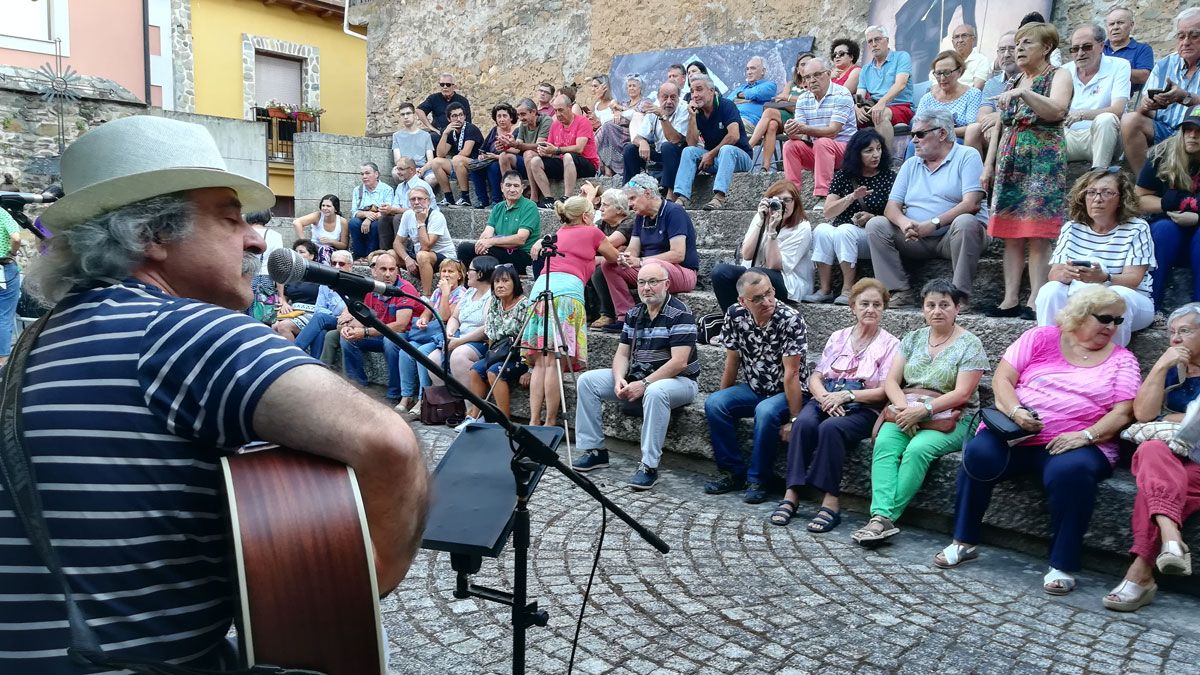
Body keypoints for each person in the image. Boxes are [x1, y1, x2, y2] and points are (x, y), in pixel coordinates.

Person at [4, 114, 426, 671]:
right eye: (230, 220)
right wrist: (352, 593)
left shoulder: (34, 344)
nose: (255, 237)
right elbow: (388, 445)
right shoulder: (180, 331)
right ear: (151, 236)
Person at [936, 286, 1139, 595]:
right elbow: (1003, 379)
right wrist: (1015, 410)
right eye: (1105, 319)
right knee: (979, 452)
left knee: (1069, 472)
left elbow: (1124, 412)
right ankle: (963, 540)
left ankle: (1062, 564)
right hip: (1018, 434)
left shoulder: (1122, 360)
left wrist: (1086, 435)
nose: (1112, 327)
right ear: (1081, 315)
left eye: (1118, 321)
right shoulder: (1041, 338)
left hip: (1079, 442)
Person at [854, 279, 988, 544]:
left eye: (944, 305)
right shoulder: (913, 338)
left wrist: (923, 411)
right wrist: (906, 410)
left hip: (954, 416)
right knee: (885, 444)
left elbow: (962, 394)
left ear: (957, 308)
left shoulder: (970, 344)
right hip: (906, 409)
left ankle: (882, 519)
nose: (937, 311)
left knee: (917, 450)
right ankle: (880, 518)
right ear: (923, 309)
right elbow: (892, 381)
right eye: (930, 305)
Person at [772, 279, 900, 531]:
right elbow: (816, 376)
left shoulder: (891, 344)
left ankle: (831, 501)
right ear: (853, 307)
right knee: (804, 423)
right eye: (864, 304)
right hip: (827, 395)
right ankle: (792, 493)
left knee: (831, 428)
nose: (870, 309)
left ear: (884, 308)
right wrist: (824, 398)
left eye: (877, 304)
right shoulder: (838, 336)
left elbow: (885, 390)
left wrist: (848, 397)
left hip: (864, 405)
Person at [1103, 303, 1200, 612]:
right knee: (1150, 449)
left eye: (1184, 331)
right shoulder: (1174, 368)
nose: (1175, 339)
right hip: (1170, 454)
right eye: (1171, 332)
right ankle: (1171, 539)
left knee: (1153, 488)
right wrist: (1160, 367)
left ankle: (1140, 573)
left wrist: (1175, 418)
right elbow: (1144, 415)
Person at [571, 260, 700, 490]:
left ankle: (649, 466)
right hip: (640, 375)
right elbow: (621, 355)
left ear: (667, 284)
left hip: (680, 382)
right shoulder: (634, 313)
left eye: (653, 282)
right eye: (642, 282)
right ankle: (595, 450)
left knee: (655, 391)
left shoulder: (680, 314)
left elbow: (679, 362)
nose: (646, 288)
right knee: (587, 381)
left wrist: (644, 383)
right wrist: (620, 378)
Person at [981, 22, 1072, 320]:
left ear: (1046, 48)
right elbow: (999, 125)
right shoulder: (1014, 80)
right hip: (1011, 160)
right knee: (1010, 233)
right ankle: (1009, 298)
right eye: (1017, 43)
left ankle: (1034, 298)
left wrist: (1025, 94)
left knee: (1037, 232)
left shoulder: (1058, 75)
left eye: (1026, 43)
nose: (1018, 49)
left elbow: (1056, 110)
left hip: (1042, 161)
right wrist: (989, 164)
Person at [703, 270, 809, 504]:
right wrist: (723, 394)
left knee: (766, 411)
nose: (767, 301)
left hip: (787, 391)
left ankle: (759, 479)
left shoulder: (790, 319)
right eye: (758, 298)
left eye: (769, 293)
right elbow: (732, 362)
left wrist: (794, 420)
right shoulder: (735, 315)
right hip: (755, 387)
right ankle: (732, 472)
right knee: (714, 404)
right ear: (743, 301)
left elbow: (791, 375)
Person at [865, 110, 989, 307]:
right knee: (876, 224)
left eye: (920, 134)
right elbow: (891, 208)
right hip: (916, 238)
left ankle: (959, 297)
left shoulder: (967, 155)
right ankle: (898, 290)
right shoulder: (911, 164)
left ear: (941, 134)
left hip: (954, 237)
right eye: (913, 134)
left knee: (966, 222)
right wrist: (905, 223)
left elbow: (972, 203)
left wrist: (933, 224)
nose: (913, 140)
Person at [521, 196, 620, 428]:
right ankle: (550, 421)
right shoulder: (592, 232)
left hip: (540, 292)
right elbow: (614, 257)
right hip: (566, 295)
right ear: (586, 216)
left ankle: (534, 420)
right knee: (555, 362)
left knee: (540, 362)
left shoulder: (558, 233)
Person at [1036, 168, 1155, 346]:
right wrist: (1067, 274)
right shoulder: (1072, 227)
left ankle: (1110, 359)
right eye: (1091, 192)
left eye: (1107, 193)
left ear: (1121, 199)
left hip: (1133, 302)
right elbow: (1054, 274)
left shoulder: (1137, 228)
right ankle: (1049, 349)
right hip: (1081, 300)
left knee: (1116, 296)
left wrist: (1104, 278)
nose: (1098, 199)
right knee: (1050, 289)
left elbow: (1134, 279)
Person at [809, 129, 896, 304]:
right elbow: (828, 212)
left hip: (871, 236)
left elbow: (896, 212)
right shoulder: (843, 176)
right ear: (857, 154)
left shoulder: (889, 177)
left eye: (878, 149)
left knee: (844, 230)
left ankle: (848, 289)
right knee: (821, 229)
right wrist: (851, 197)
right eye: (869, 151)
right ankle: (825, 289)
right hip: (842, 232)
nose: (875, 155)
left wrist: (871, 216)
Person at [601, 173, 699, 323]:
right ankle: (625, 317)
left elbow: (678, 254)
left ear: (647, 193)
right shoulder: (641, 217)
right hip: (649, 268)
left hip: (682, 272)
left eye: (632, 198)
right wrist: (625, 258)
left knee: (651, 266)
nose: (630, 205)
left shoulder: (674, 212)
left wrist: (641, 261)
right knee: (609, 265)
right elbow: (633, 249)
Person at [1121, 8, 1200, 176]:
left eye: (1194, 36)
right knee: (1130, 120)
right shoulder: (1164, 64)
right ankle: (1145, 185)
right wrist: (1148, 104)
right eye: (1181, 36)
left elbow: (1187, 99)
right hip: (1164, 131)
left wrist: (1186, 97)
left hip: (1195, 133)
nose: (1186, 42)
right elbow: (1143, 111)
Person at [710, 180, 812, 310]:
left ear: (796, 202)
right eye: (777, 200)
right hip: (753, 272)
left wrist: (771, 231)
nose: (782, 205)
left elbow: (774, 265)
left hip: (787, 281)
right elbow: (746, 255)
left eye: (787, 200)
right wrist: (761, 222)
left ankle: (749, 320)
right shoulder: (761, 217)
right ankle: (735, 319)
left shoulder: (802, 227)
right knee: (721, 272)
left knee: (755, 274)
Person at [337, 252, 424, 403]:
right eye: (383, 269)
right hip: (381, 333)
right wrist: (348, 328)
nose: (388, 274)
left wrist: (364, 332)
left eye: (392, 269)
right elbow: (363, 318)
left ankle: (394, 394)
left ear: (397, 270)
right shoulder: (372, 289)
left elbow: (401, 325)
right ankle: (358, 387)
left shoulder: (405, 289)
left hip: (404, 335)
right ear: (375, 271)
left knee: (391, 342)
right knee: (348, 339)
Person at [1139, 105, 1200, 309]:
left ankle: (1198, 311)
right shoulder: (1162, 154)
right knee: (1164, 230)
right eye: (1188, 130)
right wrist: (1165, 205)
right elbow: (1138, 198)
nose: (1192, 136)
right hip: (1170, 226)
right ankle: (1150, 306)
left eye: (1199, 131)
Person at [394, 258, 468, 415]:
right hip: (431, 333)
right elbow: (428, 312)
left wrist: (446, 294)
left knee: (422, 353)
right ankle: (406, 397)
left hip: (445, 336)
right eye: (444, 271)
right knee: (405, 351)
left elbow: (444, 317)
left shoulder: (462, 294)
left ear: (460, 275)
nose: (446, 275)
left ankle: (423, 399)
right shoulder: (437, 291)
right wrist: (423, 319)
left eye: (451, 271)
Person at [782, 57, 858, 208]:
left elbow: (833, 131)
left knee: (823, 142)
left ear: (829, 74)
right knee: (790, 145)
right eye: (808, 77)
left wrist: (802, 129)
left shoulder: (841, 94)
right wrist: (791, 131)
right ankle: (791, 197)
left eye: (817, 75)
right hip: (820, 152)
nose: (812, 80)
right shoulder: (803, 98)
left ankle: (824, 196)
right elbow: (799, 133)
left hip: (847, 152)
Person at [673, 74, 754, 210]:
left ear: (711, 91)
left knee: (726, 149)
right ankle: (681, 198)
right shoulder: (697, 113)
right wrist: (692, 118)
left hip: (740, 158)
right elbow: (692, 144)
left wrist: (710, 154)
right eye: (692, 91)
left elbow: (734, 136)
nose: (695, 95)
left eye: (699, 89)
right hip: (716, 159)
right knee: (688, 151)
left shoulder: (726, 105)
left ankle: (719, 197)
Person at [464, 263, 530, 421]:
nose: (500, 285)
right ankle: (475, 415)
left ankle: (504, 421)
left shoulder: (524, 305)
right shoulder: (495, 302)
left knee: (494, 372)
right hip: (499, 352)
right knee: (475, 370)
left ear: (515, 282)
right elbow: (491, 331)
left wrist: (530, 369)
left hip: (519, 355)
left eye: (505, 281)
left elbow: (529, 337)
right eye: (497, 282)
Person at [1063, 25, 1131, 169]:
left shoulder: (1120, 66)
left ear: (1101, 46)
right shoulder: (1064, 71)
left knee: (1106, 119)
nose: (1080, 53)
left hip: (1103, 137)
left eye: (1086, 47)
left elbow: (1118, 109)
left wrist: (1081, 115)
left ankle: (1098, 175)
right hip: (1069, 137)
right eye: (1075, 49)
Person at [426, 256, 496, 390]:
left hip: (480, 341)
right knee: (433, 358)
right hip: (459, 336)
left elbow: (487, 327)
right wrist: (449, 332)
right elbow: (454, 318)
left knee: (458, 356)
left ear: (480, 274)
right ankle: (447, 402)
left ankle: (470, 406)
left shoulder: (492, 296)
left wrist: (460, 341)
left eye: (470, 270)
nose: (467, 273)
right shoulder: (470, 292)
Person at [456, 170, 541, 275]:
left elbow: (520, 239)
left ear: (522, 188)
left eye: (516, 186)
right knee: (464, 249)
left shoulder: (529, 206)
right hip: (500, 250)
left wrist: (491, 242)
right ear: (502, 187)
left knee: (489, 254)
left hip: (522, 256)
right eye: (508, 185)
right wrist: (483, 244)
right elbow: (487, 233)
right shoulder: (498, 207)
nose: (512, 189)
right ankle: (467, 286)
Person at [525, 94, 600, 208]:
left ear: (570, 108)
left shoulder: (582, 122)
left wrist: (556, 150)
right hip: (564, 162)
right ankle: (548, 199)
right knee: (535, 161)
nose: (558, 114)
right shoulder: (555, 125)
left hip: (586, 164)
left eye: (561, 110)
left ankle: (567, 197)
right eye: (555, 111)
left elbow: (579, 148)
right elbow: (551, 149)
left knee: (568, 156)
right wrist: (544, 151)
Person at [910, 50, 984, 157]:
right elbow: (916, 125)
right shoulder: (927, 98)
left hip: (959, 141)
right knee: (913, 145)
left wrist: (942, 133)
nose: (942, 78)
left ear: (959, 71)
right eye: (938, 73)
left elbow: (972, 127)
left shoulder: (972, 94)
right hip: (928, 139)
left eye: (947, 73)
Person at [748, 53, 812, 175]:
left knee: (770, 113)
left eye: (809, 63)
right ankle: (765, 167)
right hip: (786, 116)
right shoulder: (790, 84)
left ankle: (748, 147)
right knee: (771, 124)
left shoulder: (814, 83)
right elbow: (778, 99)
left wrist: (787, 99)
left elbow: (808, 101)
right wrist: (791, 104)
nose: (806, 67)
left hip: (803, 119)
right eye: (803, 64)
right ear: (798, 70)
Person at [392, 185, 457, 297]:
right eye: (413, 199)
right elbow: (397, 242)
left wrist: (421, 222)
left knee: (422, 255)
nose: (416, 202)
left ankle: (426, 295)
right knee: (390, 255)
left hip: (443, 258)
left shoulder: (437, 216)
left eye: (420, 199)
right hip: (419, 257)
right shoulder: (408, 215)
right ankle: (397, 290)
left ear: (428, 201)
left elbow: (426, 246)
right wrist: (407, 259)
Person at [857, 25, 915, 152]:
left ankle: (885, 162)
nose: (874, 44)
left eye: (877, 39)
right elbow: (860, 95)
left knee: (880, 114)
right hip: (874, 106)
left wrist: (882, 102)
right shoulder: (865, 69)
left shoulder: (901, 57)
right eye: (870, 41)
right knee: (847, 116)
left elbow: (901, 84)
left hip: (901, 106)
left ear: (887, 40)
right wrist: (858, 107)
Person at [585, 185, 634, 331]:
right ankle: (588, 311)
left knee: (599, 268)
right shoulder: (603, 224)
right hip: (610, 260)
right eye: (601, 205)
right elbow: (589, 244)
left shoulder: (629, 222)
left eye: (605, 205)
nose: (600, 209)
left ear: (619, 209)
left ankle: (607, 313)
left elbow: (608, 243)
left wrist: (605, 250)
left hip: (627, 265)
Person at [623, 81, 688, 186]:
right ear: (658, 97)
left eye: (673, 97)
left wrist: (662, 116)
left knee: (667, 147)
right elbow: (637, 137)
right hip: (660, 154)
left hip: (677, 154)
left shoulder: (684, 108)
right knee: (630, 149)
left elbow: (674, 140)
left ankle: (668, 190)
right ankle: (630, 188)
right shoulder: (655, 107)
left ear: (678, 98)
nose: (669, 101)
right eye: (665, 97)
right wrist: (642, 142)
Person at [294, 249, 351, 358]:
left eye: (341, 264)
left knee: (320, 318)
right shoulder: (325, 284)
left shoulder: (356, 285)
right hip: (332, 320)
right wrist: (334, 316)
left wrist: (339, 316)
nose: (337, 266)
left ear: (350, 266)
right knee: (320, 332)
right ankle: (317, 364)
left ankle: (295, 352)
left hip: (347, 322)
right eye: (334, 263)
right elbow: (319, 308)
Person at [380, 157, 440, 257]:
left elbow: (421, 210)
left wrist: (394, 210)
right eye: (397, 169)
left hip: (425, 218)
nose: (398, 172)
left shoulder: (422, 185)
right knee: (384, 219)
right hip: (408, 216)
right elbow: (395, 207)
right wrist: (387, 210)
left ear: (411, 170)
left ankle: (403, 252)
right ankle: (385, 253)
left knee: (398, 217)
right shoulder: (400, 187)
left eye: (401, 169)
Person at [597, 74, 655, 177]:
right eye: (629, 86)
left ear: (640, 88)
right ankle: (608, 166)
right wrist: (616, 112)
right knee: (605, 129)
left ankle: (609, 168)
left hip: (635, 134)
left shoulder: (645, 102)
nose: (631, 88)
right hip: (618, 132)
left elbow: (637, 114)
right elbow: (615, 115)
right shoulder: (624, 103)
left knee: (607, 128)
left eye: (634, 86)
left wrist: (620, 110)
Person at [428, 102, 484, 207]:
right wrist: (444, 133)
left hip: (476, 165)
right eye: (454, 116)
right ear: (449, 119)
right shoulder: (451, 132)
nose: (458, 118)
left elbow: (466, 152)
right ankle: (449, 198)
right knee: (436, 162)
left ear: (465, 116)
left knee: (458, 158)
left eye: (461, 115)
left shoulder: (471, 129)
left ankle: (465, 197)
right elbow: (440, 154)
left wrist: (454, 160)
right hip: (459, 165)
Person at [469, 102, 519, 209]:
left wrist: (495, 157)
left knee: (493, 167)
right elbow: (483, 148)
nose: (501, 119)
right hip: (490, 159)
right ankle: (482, 200)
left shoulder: (516, 131)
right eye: (499, 116)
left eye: (504, 116)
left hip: (507, 161)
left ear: (511, 118)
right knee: (475, 167)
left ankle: (497, 200)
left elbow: (516, 150)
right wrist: (482, 155)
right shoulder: (494, 130)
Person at [271, 238, 322, 339]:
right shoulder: (292, 276)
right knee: (274, 326)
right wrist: (284, 303)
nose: (297, 254)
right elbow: (284, 296)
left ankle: (294, 354)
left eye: (302, 252)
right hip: (293, 312)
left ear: (312, 256)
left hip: (312, 313)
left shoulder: (319, 275)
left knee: (283, 326)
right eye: (296, 252)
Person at [495, 98, 552, 184]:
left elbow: (539, 146)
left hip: (543, 160)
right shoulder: (523, 124)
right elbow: (517, 146)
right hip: (527, 160)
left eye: (523, 114)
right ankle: (510, 190)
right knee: (503, 156)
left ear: (533, 112)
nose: (520, 118)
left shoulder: (546, 120)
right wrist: (505, 146)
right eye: (519, 115)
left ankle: (534, 194)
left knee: (528, 153)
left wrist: (516, 145)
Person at [348, 162, 395, 260]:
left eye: (367, 173)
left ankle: (370, 255)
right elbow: (354, 212)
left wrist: (369, 219)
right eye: (362, 174)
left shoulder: (387, 190)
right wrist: (366, 214)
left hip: (380, 218)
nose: (364, 176)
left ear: (376, 174)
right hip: (362, 217)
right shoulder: (358, 190)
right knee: (353, 223)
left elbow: (387, 211)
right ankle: (359, 255)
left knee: (376, 225)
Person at [1104, 7, 1154, 96]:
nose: (1115, 27)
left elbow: (1144, 76)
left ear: (1131, 25)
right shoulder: (1098, 48)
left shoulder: (1142, 49)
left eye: (1120, 23)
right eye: (1111, 24)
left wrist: (1105, 70)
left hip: (1123, 100)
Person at [245, 209, 282, 324]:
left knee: (245, 320)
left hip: (245, 278)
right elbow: (279, 266)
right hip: (267, 280)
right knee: (264, 317)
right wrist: (281, 296)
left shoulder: (242, 233)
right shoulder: (275, 236)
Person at [291, 193, 348, 264]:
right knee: (302, 251)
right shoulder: (317, 216)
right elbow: (296, 222)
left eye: (328, 206)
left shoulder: (342, 221)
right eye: (323, 205)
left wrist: (331, 241)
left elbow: (344, 245)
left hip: (331, 251)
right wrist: (305, 242)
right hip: (314, 247)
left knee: (323, 250)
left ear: (335, 209)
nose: (325, 208)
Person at [417, 72, 472, 141]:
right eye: (442, 85)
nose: (445, 87)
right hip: (438, 132)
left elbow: (468, 122)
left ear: (454, 86)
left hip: (456, 133)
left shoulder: (463, 101)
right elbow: (419, 110)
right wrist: (431, 127)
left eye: (448, 85)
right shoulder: (434, 98)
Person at [729, 56, 779, 130]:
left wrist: (740, 96)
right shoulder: (740, 88)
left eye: (753, 68)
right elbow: (727, 102)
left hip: (748, 121)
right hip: (731, 119)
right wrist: (749, 99)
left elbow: (756, 93)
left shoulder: (770, 85)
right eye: (747, 69)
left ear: (763, 71)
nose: (749, 72)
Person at [392, 100, 435, 176]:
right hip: (404, 167)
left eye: (408, 113)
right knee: (395, 173)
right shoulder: (396, 135)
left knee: (432, 178)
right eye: (402, 114)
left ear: (414, 115)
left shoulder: (426, 135)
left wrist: (422, 170)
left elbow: (430, 160)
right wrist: (408, 170)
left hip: (422, 167)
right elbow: (397, 160)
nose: (405, 117)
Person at [0, 204, 20, 366]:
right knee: (4, 315)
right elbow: (16, 238)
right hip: (3, 267)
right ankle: (3, 360)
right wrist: (13, 253)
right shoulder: (3, 214)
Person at [946, 25, 990, 89]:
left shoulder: (981, 60)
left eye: (964, 36)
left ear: (973, 39)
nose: (960, 40)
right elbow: (935, 84)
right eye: (957, 37)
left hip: (967, 97)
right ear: (953, 42)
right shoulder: (946, 61)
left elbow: (976, 90)